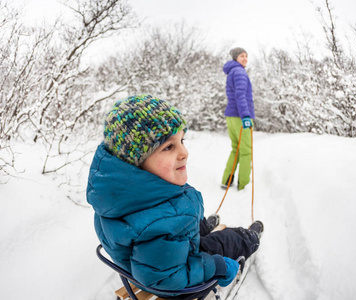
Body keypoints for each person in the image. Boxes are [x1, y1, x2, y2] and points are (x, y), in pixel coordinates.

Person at [87, 95, 263, 298]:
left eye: (182, 140)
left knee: (191, 226)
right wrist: (217, 266)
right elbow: (168, 280)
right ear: (135, 163)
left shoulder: (120, 196)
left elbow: (163, 229)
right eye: (169, 147)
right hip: (177, 279)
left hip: (166, 251)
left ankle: (201, 227)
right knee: (228, 240)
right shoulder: (157, 226)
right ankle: (249, 238)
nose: (184, 152)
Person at [221, 47, 255, 191]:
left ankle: (226, 180)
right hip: (240, 117)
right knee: (246, 150)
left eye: (246, 56)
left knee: (236, 149)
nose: (245, 58)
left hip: (231, 116)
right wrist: (246, 116)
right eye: (242, 56)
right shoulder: (240, 72)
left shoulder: (232, 72)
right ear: (235, 58)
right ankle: (243, 184)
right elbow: (240, 95)